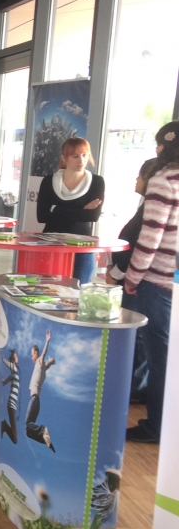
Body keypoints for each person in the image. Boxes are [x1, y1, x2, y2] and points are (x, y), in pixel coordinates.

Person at [123, 121, 179, 444]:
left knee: (161, 361)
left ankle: (157, 427)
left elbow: (150, 239)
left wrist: (132, 278)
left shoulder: (163, 180)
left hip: (158, 284)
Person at [107, 158, 157, 403]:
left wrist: (118, 273)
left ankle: (136, 388)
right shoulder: (145, 205)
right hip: (130, 279)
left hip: (135, 281)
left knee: (137, 335)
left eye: (139, 175)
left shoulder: (151, 209)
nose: (136, 180)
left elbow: (138, 246)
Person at [36, 137, 105, 284]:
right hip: (52, 242)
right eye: (75, 156)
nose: (81, 160)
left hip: (83, 243)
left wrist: (56, 208)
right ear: (64, 158)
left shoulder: (97, 182)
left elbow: (92, 216)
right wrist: (81, 210)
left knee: (80, 288)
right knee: (50, 288)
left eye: (85, 155)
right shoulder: (49, 181)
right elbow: (42, 216)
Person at [24, 331, 57, 453]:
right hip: (36, 402)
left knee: (27, 425)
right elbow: (46, 366)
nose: (31, 357)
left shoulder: (39, 361)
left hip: (34, 399)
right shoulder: (42, 366)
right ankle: (45, 440)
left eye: (32, 354)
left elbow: (44, 354)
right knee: (28, 432)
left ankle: (43, 430)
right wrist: (50, 363)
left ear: (36, 353)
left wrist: (47, 341)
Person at [0, 349, 20, 444]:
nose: (17, 358)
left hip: (13, 406)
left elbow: (4, 382)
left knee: (15, 438)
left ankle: (4, 425)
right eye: (16, 357)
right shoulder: (14, 368)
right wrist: (2, 358)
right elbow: (7, 363)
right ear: (13, 360)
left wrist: (2, 381)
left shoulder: (14, 374)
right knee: (15, 439)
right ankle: (4, 425)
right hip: (11, 404)